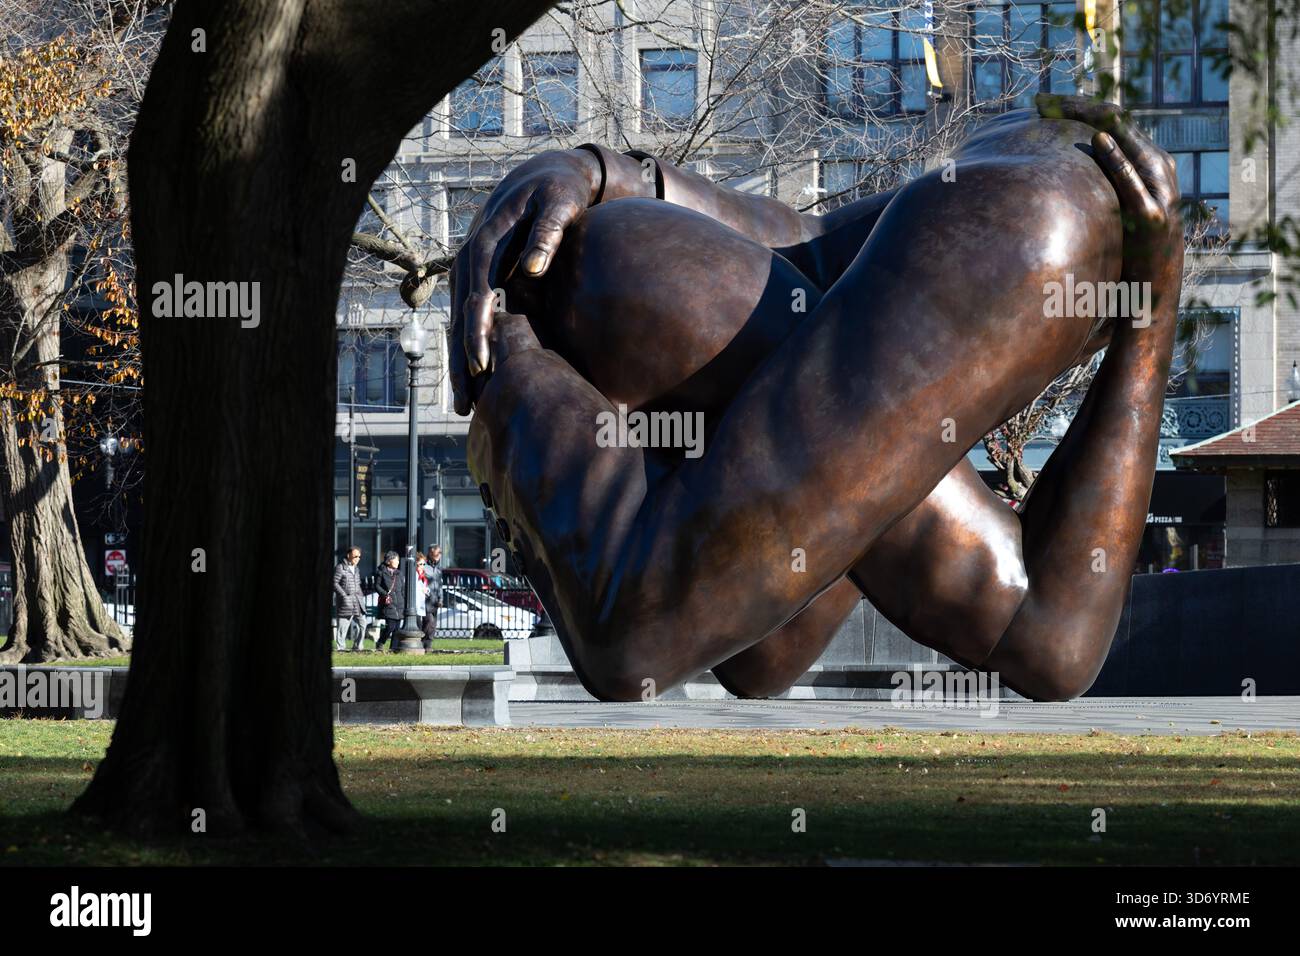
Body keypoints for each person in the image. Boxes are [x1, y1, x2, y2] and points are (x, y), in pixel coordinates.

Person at [450, 96, 1185, 702]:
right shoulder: (1038, 249)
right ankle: (503, 369)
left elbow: (815, 241)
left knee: (758, 652)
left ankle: (517, 364)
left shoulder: (973, 255)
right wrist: (1153, 319)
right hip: (631, 272)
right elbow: (1054, 645)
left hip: (641, 262)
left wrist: (601, 169)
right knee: (631, 638)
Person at [331, 547, 366, 652]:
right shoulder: (340, 567)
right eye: (355, 556)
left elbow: (358, 584)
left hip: (357, 601)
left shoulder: (356, 569)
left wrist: (360, 595)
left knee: (363, 624)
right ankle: (341, 649)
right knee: (343, 627)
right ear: (348, 555)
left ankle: (357, 646)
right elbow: (334, 583)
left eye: (359, 556)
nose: (358, 558)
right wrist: (343, 595)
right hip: (345, 602)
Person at [374, 551, 402, 651]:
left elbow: (402, 588)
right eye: (396, 560)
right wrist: (385, 594)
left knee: (397, 629)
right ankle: (381, 642)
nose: (398, 562)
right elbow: (377, 586)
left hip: (399, 603)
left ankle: (393, 648)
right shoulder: (381, 572)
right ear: (389, 561)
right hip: (389, 602)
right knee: (390, 626)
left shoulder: (399, 573)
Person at [423, 545, 444, 650]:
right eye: (437, 553)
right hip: (425, 600)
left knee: (433, 625)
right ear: (430, 553)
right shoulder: (424, 565)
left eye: (440, 553)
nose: (439, 555)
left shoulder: (439, 568)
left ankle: (428, 646)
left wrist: (440, 599)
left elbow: (440, 585)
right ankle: (425, 645)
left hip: (435, 601)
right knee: (429, 623)